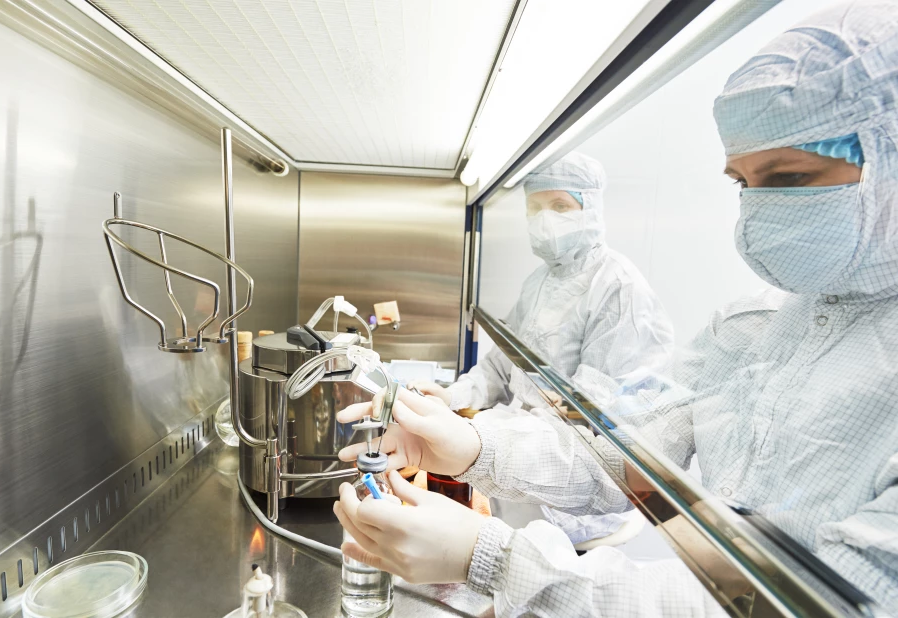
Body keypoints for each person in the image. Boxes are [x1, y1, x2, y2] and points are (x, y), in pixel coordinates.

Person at [333, 1, 898, 616]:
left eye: (789, 178)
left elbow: (827, 605)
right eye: (742, 182)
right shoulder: (757, 326)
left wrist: (494, 560)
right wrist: (472, 445)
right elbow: (626, 447)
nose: (757, 215)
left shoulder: (622, 289)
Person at [414, 152, 674, 544]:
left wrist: (475, 434)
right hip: (515, 467)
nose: (545, 220)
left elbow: (588, 419)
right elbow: (502, 364)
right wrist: (452, 396)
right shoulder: (539, 283)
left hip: (568, 503)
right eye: (535, 208)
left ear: (591, 209)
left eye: (560, 206)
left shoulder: (618, 289)